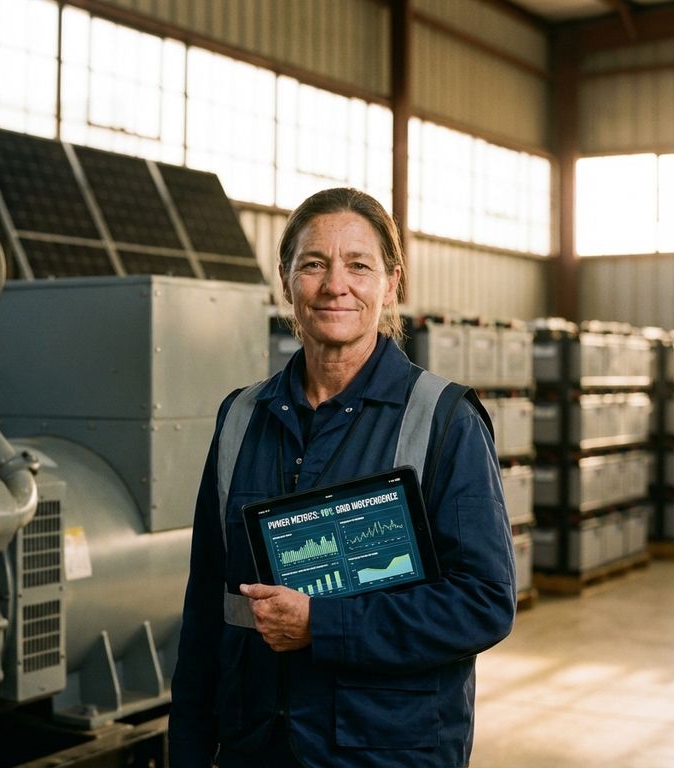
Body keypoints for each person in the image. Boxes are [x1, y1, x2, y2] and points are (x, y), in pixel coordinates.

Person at [168, 187, 516, 768]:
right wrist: (188, 751)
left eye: (359, 265)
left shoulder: (444, 421)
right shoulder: (240, 420)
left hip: (387, 751)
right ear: (286, 280)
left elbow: (484, 602)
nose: (336, 285)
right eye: (313, 264)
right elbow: (207, 607)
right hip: (258, 747)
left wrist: (323, 625)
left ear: (392, 282)